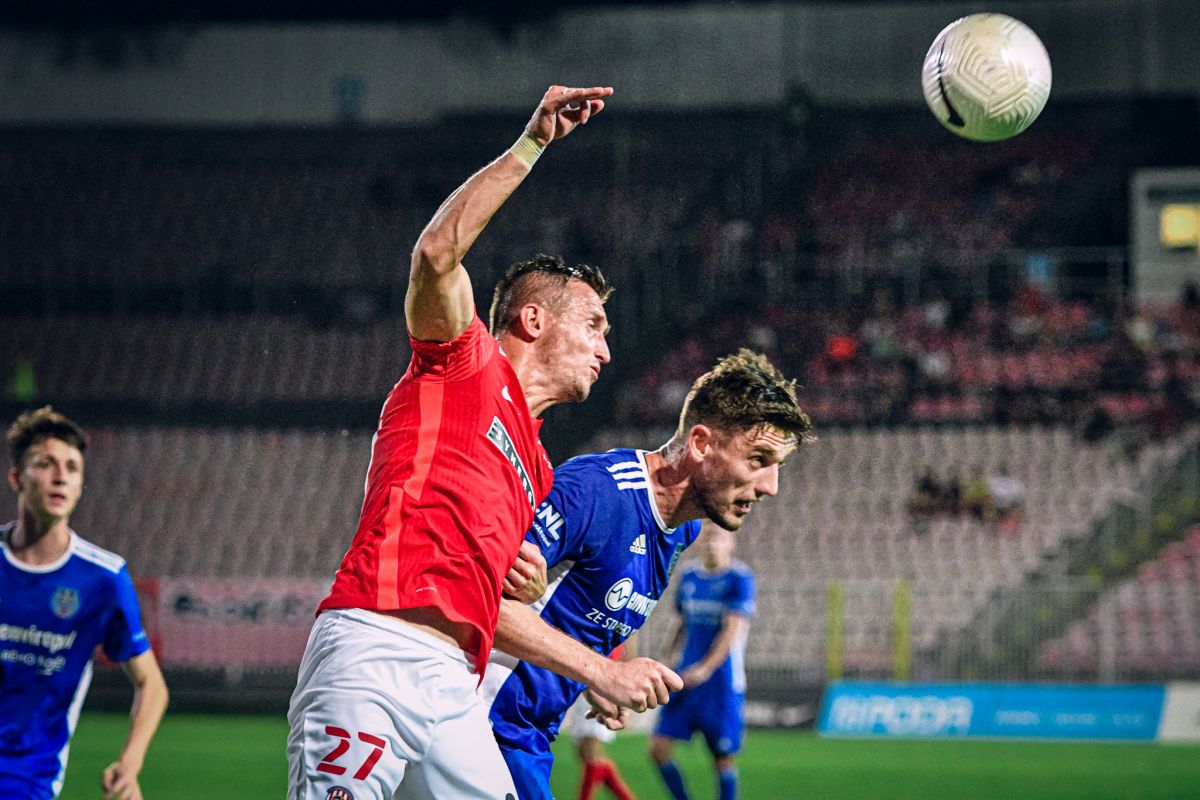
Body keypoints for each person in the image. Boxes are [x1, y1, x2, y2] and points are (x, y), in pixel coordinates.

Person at [287, 84, 680, 800]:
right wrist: (531, 145)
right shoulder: (467, 363)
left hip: (456, 686)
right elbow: (436, 254)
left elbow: (489, 583)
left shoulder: (538, 465)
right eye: (593, 326)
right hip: (378, 649)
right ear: (532, 319)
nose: (606, 350)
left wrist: (514, 579)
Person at [482, 349, 813, 800]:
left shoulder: (684, 529)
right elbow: (476, 602)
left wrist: (587, 681)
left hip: (529, 735)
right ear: (701, 444)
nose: (771, 486)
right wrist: (603, 672)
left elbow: (572, 608)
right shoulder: (596, 492)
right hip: (482, 725)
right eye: (758, 459)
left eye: (778, 467)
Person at [1, 407, 168, 800]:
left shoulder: (102, 579)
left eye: (72, 468)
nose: (61, 476)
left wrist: (130, 764)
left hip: (25, 781)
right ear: (16, 478)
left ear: (80, 486)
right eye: (46, 464)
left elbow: (151, 684)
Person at [650, 523, 755, 800]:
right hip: (685, 677)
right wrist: (666, 657)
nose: (712, 544)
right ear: (697, 542)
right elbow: (680, 621)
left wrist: (706, 668)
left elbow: (731, 630)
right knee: (658, 749)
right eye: (707, 538)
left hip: (720, 681)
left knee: (722, 757)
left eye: (718, 538)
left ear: (731, 543)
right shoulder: (689, 576)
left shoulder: (739, 578)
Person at [565, 643, 637, 800]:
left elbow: (630, 642)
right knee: (583, 752)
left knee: (590, 750)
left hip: (604, 678)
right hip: (585, 675)